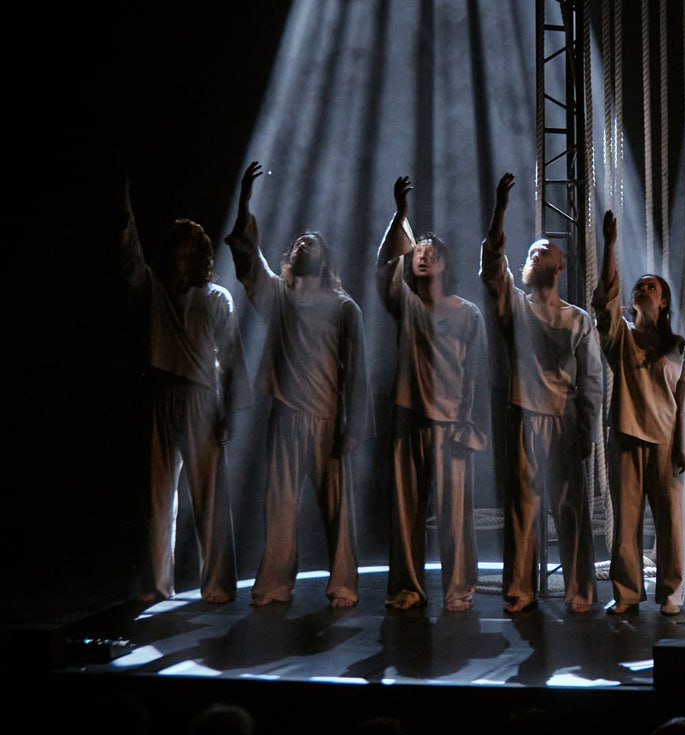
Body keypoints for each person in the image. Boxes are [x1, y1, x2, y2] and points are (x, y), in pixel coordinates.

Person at [226, 161, 372, 608]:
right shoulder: (280, 297)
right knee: (280, 504)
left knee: (337, 508)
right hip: (286, 412)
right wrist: (245, 202)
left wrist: (354, 425)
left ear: (325, 259)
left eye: (313, 243)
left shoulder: (344, 307)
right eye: (298, 242)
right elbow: (248, 261)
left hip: (327, 417)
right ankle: (274, 583)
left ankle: (343, 584)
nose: (304, 244)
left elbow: (358, 372)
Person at [117, 171, 250, 604]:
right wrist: (123, 202)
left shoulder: (215, 297)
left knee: (208, 496)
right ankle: (157, 584)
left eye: (189, 243)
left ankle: (218, 584)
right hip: (164, 393)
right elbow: (129, 253)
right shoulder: (154, 291)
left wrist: (229, 412)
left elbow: (232, 358)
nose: (183, 249)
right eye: (179, 242)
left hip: (199, 398)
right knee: (158, 499)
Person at [480, 172, 602, 614]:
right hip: (524, 412)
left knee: (571, 508)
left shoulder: (578, 318)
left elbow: (592, 379)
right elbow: (493, 264)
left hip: (564, 416)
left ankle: (579, 590)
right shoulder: (514, 306)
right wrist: (500, 209)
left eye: (544, 250)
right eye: (531, 251)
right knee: (522, 508)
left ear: (561, 265)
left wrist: (587, 429)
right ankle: (520, 590)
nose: (534, 254)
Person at [376, 176, 488, 612]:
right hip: (409, 416)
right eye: (418, 252)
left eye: (431, 253)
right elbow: (385, 266)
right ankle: (407, 588)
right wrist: (400, 216)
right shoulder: (406, 304)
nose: (423, 257)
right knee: (406, 512)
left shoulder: (467, 313)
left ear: (445, 263)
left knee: (455, 516)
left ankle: (459, 588)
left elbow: (475, 374)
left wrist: (470, 425)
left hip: (452, 423)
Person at [596, 211, 685, 616]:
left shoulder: (677, 346)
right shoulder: (621, 337)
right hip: (627, 436)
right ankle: (626, 593)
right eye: (639, 286)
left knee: (671, 523)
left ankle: (672, 594)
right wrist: (610, 246)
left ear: (663, 302)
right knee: (626, 522)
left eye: (651, 286)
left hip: (666, 442)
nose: (644, 289)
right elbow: (604, 305)